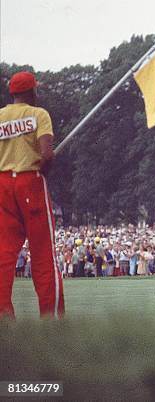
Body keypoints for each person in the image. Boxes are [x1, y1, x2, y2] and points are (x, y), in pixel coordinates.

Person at [0, 71, 64, 319]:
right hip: (30, 181)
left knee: (3, 255)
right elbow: (47, 154)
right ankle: (52, 320)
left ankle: (4, 319)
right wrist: (43, 172)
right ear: (32, 91)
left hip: (3, 185)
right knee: (43, 256)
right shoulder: (39, 114)